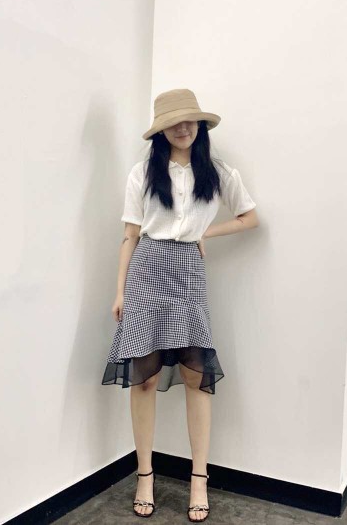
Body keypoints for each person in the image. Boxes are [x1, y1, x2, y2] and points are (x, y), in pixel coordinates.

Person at [101, 88, 259, 522]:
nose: (183, 128)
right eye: (174, 122)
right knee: (145, 378)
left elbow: (249, 217)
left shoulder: (219, 173)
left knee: (195, 376)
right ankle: (145, 476)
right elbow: (130, 235)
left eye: (190, 120)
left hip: (188, 271)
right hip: (147, 269)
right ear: (161, 130)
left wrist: (206, 233)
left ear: (201, 125)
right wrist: (120, 291)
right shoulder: (142, 173)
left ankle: (199, 479)